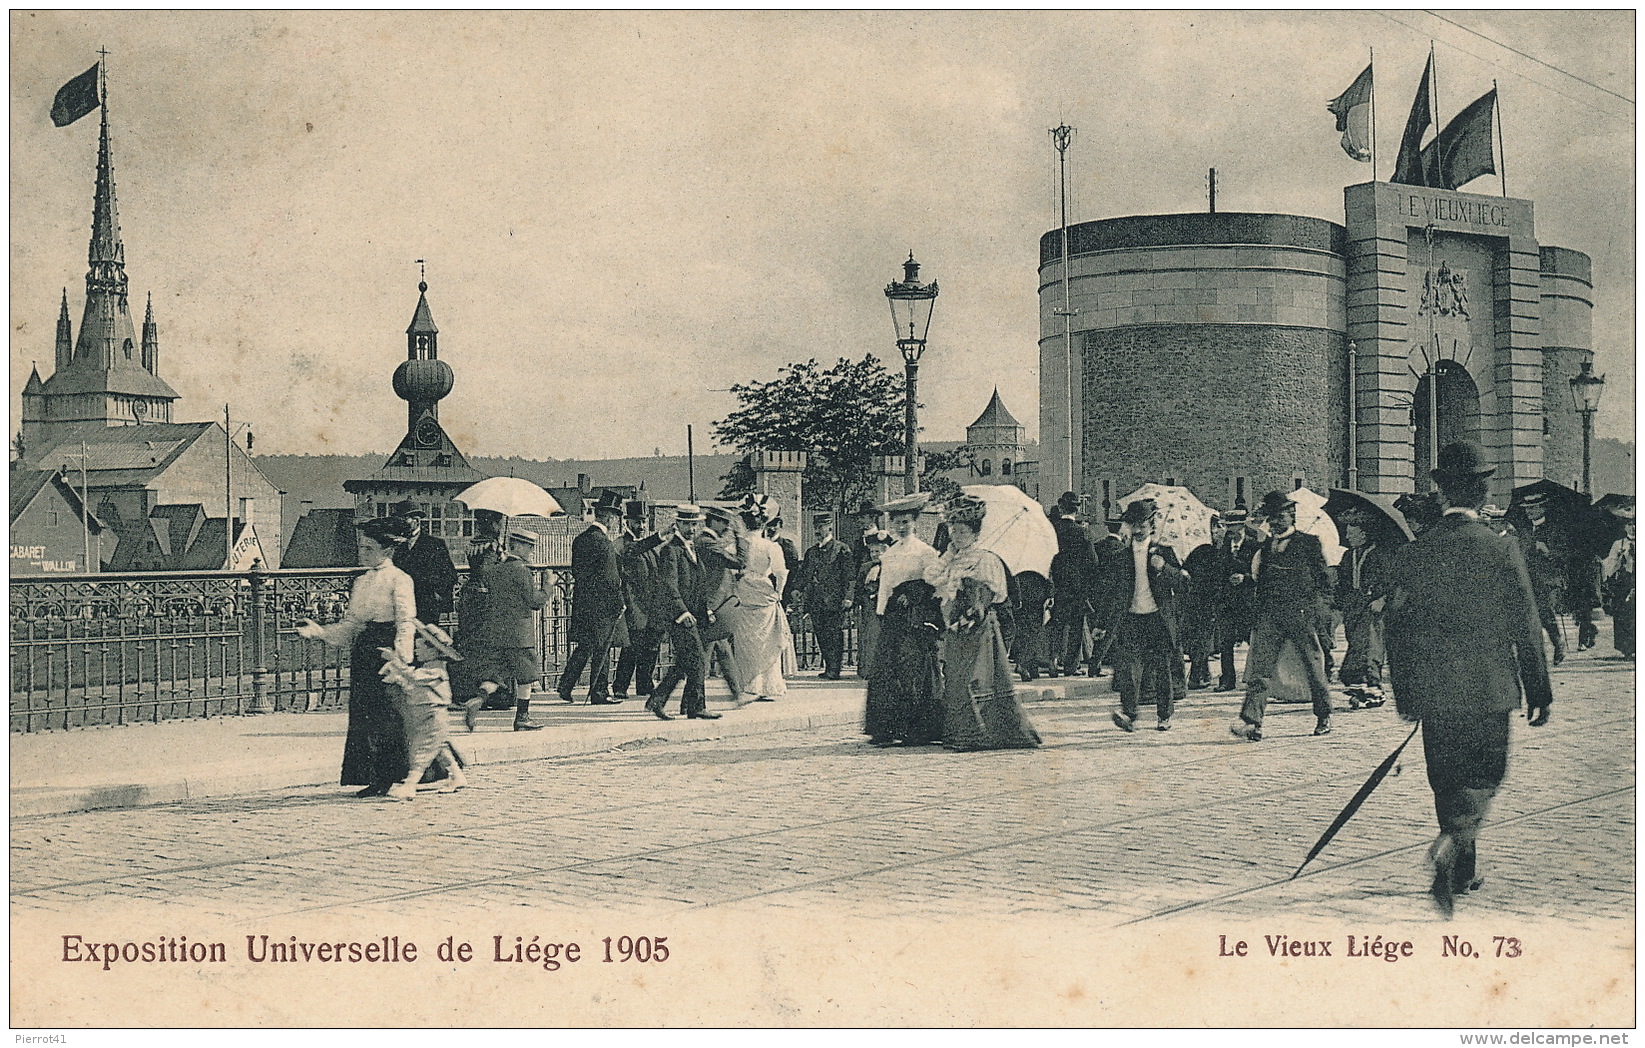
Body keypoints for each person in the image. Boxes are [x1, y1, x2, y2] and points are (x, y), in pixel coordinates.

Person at [1384, 441, 1552, 916]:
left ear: (1440, 493)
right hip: (1490, 686)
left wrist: (1406, 693)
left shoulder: (1418, 552)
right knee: (1483, 776)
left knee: (1447, 779)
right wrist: (1539, 689)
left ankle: (1462, 869)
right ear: (1482, 492)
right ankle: (1454, 843)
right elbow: (1526, 622)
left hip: (1435, 692)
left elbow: (1396, 628)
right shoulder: (1501, 548)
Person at [295, 516, 418, 797]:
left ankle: (401, 775)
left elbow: (406, 621)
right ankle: (375, 777)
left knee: (392, 715)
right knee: (366, 715)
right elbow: (352, 624)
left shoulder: (400, 579)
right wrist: (319, 632)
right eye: (362, 548)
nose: (363, 554)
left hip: (387, 651)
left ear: (387, 550)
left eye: (369, 549)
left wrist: (401, 658)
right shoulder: (361, 582)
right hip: (365, 651)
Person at [925, 495, 1041, 752]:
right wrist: (948, 556)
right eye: (953, 530)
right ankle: (959, 734)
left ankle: (979, 733)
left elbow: (997, 593)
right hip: (953, 627)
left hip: (977, 629)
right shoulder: (952, 557)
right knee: (954, 679)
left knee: (974, 679)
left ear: (975, 533)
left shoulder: (986, 559)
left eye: (962, 531)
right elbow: (931, 577)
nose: (956, 536)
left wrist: (974, 593)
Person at [1231, 490, 1336, 741]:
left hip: (1300, 615)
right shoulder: (1265, 547)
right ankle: (1252, 722)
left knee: (1313, 666)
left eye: (1279, 517)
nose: (1274, 523)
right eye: (1271, 519)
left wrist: (1318, 612)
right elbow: (1260, 580)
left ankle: (1324, 715)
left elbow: (1324, 582)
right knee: (1260, 671)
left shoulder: (1309, 543)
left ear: (1292, 516)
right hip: (1269, 616)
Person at [1098, 499, 1187, 732]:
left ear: (1151, 524)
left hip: (1157, 619)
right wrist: (1102, 623)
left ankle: (1164, 715)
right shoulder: (1120, 556)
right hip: (1131, 619)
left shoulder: (1164, 553)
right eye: (1132, 524)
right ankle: (1129, 714)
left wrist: (1164, 569)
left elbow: (1184, 583)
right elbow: (1111, 593)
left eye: (1141, 524)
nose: (1137, 530)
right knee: (1128, 668)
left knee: (1161, 670)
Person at [863, 493, 943, 747]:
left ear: (915, 522)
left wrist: (914, 593)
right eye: (897, 521)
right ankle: (886, 728)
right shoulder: (891, 552)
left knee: (914, 671)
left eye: (906, 521)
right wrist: (880, 610)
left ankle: (917, 729)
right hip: (892, 618)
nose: (901, 526)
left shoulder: (925, 552)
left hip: (915, 619)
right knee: (887, 671)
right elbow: (885, 586)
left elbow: (934, 586)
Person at [458, 527, 550, 731]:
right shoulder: (521, 570)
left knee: (498, 675)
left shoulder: (494, 570)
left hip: (496, 634)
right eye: (528, 546)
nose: (531, 551)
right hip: (519, 635)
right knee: (526, 676)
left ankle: (478, 699)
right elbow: (534, 601)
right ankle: (522, 717)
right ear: (516, 546)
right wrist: (547, 586)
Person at [647, 505, 721, 721]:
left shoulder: (691, 548)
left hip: (693, 615)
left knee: (685, 663)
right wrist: (682, 612)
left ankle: (658, 701)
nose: (691, 528)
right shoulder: (671, 550)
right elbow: (669, 586)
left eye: (694, 524)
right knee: (697, 660)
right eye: (687, 524)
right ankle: (696, 707)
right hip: (678, 617)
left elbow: (696, 585)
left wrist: (704, 609)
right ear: (677, 524)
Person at [720, 498, 796, 703]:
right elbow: (781, 573)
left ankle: (749, 685)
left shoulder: (734, 546)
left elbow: (726, 567)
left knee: (745, 641)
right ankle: (767, 686)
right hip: (764, 592)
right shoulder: (770, 547)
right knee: (766, 640)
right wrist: (778, 593)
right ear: (764, 524)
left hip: (743, 591)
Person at [557, 491, 628, 706]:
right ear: (608, 517)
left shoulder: (580, 539)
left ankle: (566, 685)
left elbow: (577, 571)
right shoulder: (604, 543)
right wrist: (619, 602)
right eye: (615, 517)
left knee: (586, 645)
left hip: (583, 602)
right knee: (602, 649)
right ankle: (599, 692)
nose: (616, 522)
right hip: (602, 606)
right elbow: (611, 579)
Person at [1335, 512, 1394, 709]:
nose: (1348, 536)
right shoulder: (1348, 555)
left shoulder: (1380, 554)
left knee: (1369, 645)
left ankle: (1373, 686)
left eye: (1352, 533)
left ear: (1365, 534)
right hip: (1353, 606)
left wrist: (1382, 599)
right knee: (1355, 644)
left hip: (1372, 606)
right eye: (1347, 532)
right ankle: (1360, 687)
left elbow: (1390, 581)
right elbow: (1342, 582)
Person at [1507, 491, 1568, 665]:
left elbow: (1564, 556)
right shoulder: (1524, 531)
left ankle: (1558, 642)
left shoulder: (1555, 530)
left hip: (1549, 579)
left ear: (1543, 508)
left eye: (1533, 508)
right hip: (1528, 578)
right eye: (1527, 509)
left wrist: (1548, 552)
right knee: (1527, 612)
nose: (1529, 512)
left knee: (1543, 610)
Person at [613, 504, 663, 700]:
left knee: (652, 645)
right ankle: (620, 685)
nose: (641, 525)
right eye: (637, 522)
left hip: (652, 603)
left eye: (643, 521)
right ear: (627, 522)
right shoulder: (622, 544)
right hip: (633, 602)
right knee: (632, 646)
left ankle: (645, 683)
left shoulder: (650, 546)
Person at [1048, 492, 1100, 678]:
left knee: (1057, 625)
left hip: (1057, 584)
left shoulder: (1052, 530)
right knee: (1076, 627)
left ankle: (1052, 661)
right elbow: (1093, 562)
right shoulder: (1082, 532)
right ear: (1077, 510)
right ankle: (1071, 665)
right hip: (1077, 587)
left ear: (1061, 507)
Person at [696, 506, 745, 701]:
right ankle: (692, 702)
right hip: (711, 607)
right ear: (714, 522)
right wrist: (740, 537)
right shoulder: (708, 543)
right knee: (700, 660)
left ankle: (738, 694)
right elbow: (739, 562)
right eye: (724, 522)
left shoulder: (708, 542)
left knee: (723, 652)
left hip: (715, 605)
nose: (727, 526)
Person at [801, 512, 856, 680]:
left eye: (821, 527)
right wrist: (798, 589)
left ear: (830, 527)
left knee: (834, 634)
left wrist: (848, 596)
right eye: (815, 527)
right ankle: (828, 667)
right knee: (821, 634)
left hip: (834, 600)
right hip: (816, 601)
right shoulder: (811, 552)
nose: (817, 530)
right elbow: (804, 574)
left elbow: (850, 576)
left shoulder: (841, 548)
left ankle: (835, 669)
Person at [1213, 509, 1261, 692]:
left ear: (1243, 527)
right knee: (1225, 642)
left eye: (1235, 528)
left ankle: (1255, 677)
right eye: (1229, 528)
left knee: (1252, 640)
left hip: (1247, 601)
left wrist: (1245, 577)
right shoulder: (1222, 546)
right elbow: (1217, 571)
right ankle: (1227, 679)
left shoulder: (1254, 546)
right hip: (1226, 602)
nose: (1232, 532)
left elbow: (1260, 573)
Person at [389, 500, 458, 625]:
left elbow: (450, 575)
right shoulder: (396, 546)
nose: (399, 525)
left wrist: (436, 595)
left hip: (427, 607)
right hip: (402, 607)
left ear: (416, 520)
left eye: (404, 520)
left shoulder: (435, 544)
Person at [1182, 513, 1224, 690]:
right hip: (1205, 600)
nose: (1219, 531)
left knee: (1202, 637)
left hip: (1203, 599)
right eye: (1216, 528)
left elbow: (1185, 570)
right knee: (1202, 638)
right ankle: (1197, 676)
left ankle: (1203, 673)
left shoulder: (1204, 550)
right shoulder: (1207, 551)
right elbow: (1186, 571)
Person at [854, 529, 893, 680]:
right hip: (869, 608)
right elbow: (858, 587)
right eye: (872, 551)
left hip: (888, 608)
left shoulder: (892, 566)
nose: (874, 555)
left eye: (878, 551)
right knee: (870, 638)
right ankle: (868, 670)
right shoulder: (866, 567)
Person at [1603, 517, 1635, 658]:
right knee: (1623, 614)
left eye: (1636, 523)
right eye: (1629, 524)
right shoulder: (1619, 544)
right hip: (1623, 582)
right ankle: (1626, 648)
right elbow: (1610, 565)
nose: (1633, 527)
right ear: (1624, 527)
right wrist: (1619, 560)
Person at [766, 516, 802, 609]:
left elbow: (793, 571)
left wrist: (786, 592)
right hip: (764, 590)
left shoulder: (787, 546)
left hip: (781, 591)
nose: (771, 528)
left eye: (774, 525)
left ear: (780, 526)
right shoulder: (763, 544)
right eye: (769, 525)